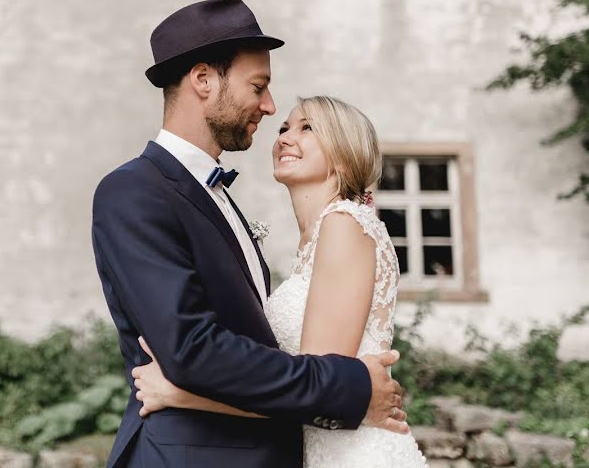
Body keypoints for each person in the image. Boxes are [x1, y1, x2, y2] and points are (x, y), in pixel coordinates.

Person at [91, 0, 408, 468]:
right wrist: (354, 388)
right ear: (203, 81)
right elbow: (191, 348)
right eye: (257, 87)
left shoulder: (222, 199)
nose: (269, 106)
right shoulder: (135, 191)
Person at [131, 95, 428, 467]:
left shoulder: (344, 225)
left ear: (344, 151)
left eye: (307, 128)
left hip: (355, 454)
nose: (285, 137)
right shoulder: (315, 240)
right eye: (285, 128)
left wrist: (180, 394)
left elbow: (317, 388)